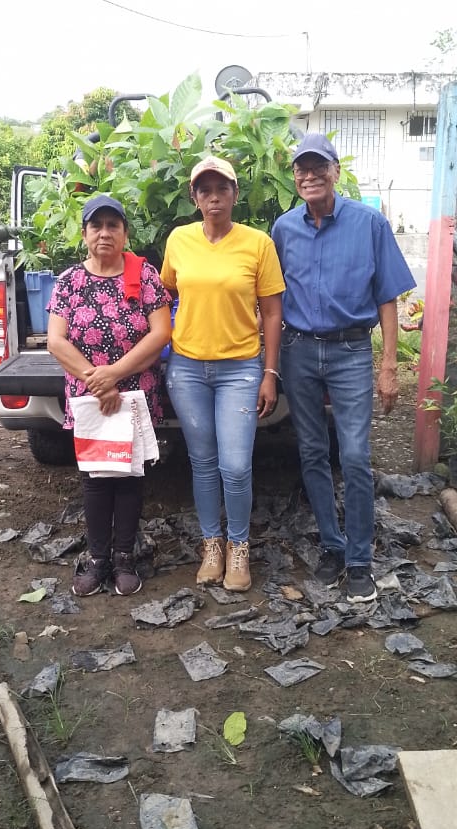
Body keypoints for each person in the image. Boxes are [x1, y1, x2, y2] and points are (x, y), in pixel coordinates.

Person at [271, 133, 415, 603]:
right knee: (312, 450)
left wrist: (388, 365)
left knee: (353, 455)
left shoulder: (369, 223)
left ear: (335, 171)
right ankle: (332, 548)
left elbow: (387, 296)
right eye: (302, 168)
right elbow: (270, 298)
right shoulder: (283, 229)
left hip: (351, 351)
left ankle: (359, 560)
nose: (310, 175)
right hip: (297, 350)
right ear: (294, 176)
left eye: (319, 167)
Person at [160, 154, 285, 593]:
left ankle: (239, 546)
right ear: (195, 198)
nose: (214, 198)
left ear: (234, 194)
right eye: (205, 190)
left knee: (234, 465)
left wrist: (270, 372)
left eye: (222, 189)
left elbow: (273, 312)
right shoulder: (179, 240)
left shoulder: (257, 244)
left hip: (241, 369)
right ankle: (211, 544)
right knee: (202, 462)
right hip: (187, 368)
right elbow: (166, 293)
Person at [47, 194, 172, 597]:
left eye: (112, 225)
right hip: (89, 396)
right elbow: (56, 341)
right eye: (96, 226)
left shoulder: (144, 275)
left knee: (130, 475)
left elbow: (161, 333)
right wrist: (96, 380)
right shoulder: (70, 281)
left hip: (133, 393)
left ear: (124, 233)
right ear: (84, 234)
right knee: (96, 479)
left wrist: (114, 374)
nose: (104, 233)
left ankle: (124, 558)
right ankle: (98, 559)